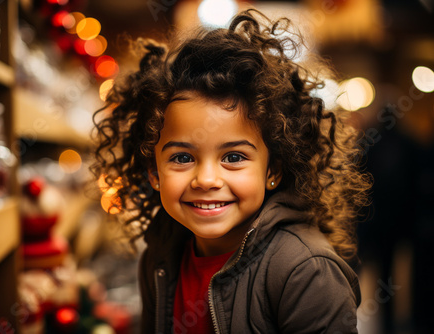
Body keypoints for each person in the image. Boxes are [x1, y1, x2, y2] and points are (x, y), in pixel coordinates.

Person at [92, 9, 371, 334]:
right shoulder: (159, 259)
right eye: (182, 158)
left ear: (273, 170)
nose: (207, 179)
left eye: (234, 156)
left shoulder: (306, 273)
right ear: (153, 172)